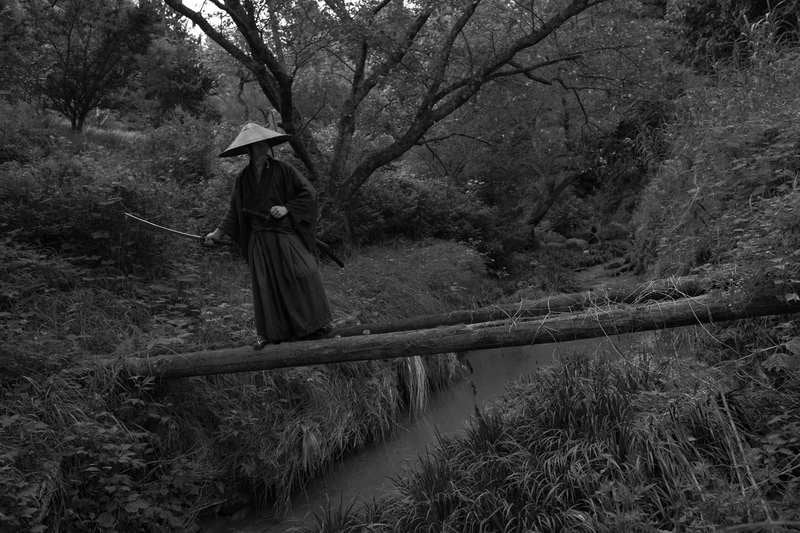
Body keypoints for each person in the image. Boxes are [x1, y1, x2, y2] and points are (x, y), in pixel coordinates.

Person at [204, 123, 332, 349]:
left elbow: (308, 193)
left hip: (282, 235)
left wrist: (287, 208)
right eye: (255, 145)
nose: (261, 148)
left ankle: (313, 327)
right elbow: (234, 211)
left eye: (263, 144)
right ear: (249, 150)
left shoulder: (283, 169)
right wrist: (217, 233)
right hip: (259, 241)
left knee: (304, 272)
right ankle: (277, 334)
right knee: (268, 285)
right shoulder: (243, 178)